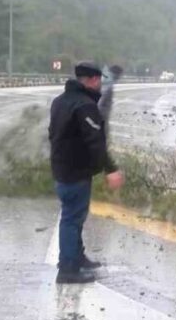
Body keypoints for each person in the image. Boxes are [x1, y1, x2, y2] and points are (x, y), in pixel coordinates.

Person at [48, 61, 125, 284]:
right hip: (75, 171)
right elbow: (95, 142)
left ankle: (77, 257)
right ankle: (68, 269)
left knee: (75, 216)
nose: (101, 85)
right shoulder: (84, 106)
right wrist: (110, 170)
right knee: (72, 219)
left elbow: (53, 134)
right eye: (99, 80)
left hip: (62, 169)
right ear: (92, 80)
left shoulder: (59, 102)